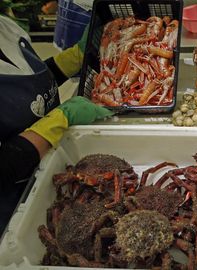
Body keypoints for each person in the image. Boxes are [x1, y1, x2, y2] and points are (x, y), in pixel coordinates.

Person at [0, 15, 112, 232]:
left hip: (55, 162)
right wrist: (58, 120)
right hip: (15, 208)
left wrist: (74, 59)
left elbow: (30, 84)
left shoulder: (5, 27)